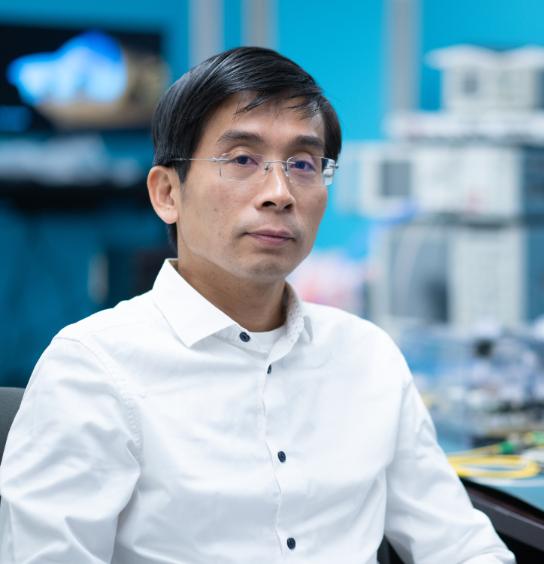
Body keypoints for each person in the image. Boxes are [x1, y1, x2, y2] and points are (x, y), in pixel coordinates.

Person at [0, 47, 515, 564]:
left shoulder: (367, 356)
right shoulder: (92, 369)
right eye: (242, 159)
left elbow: (461, 546)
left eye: (303, 163)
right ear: (166, 193)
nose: (279, 192)